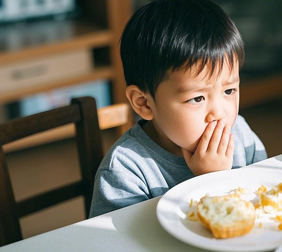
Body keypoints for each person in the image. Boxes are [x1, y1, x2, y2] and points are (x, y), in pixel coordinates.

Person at [89, 0, 267, 217]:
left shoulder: (239, 134)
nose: (219, 113)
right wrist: (209, 182)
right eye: (197, 98)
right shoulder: (125, 171)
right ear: (144, 103)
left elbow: (263, 201)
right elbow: (117, 244)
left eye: (229, 91)